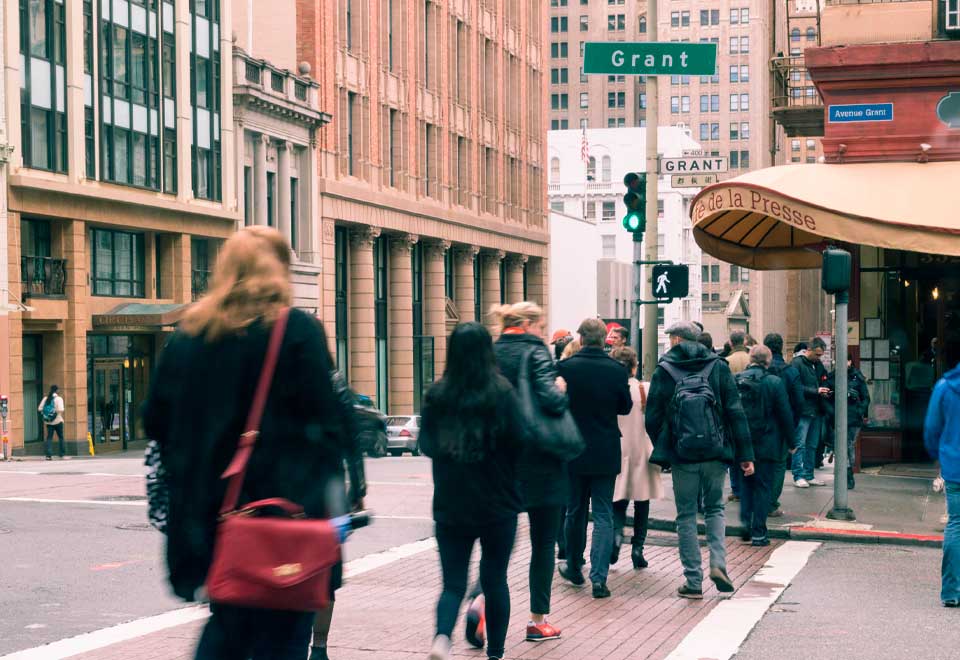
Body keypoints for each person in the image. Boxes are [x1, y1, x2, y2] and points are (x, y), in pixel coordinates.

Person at [142, 226, 353, 660]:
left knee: (226, 628)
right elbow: (330, 430)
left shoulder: (190, 336)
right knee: (286, 636)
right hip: (288, 524)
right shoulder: (297, 333)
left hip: (214, 523)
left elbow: (156, 423)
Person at [420, 322, 525, 660]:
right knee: (495, 581)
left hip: (451, 502)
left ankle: (441, 638)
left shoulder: (437, 394)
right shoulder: (502, 392)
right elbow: (519, 442)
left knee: (452, 582)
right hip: (497, 502)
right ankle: (495, 652)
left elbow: (426, 445)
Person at [646, 321, 754, 600]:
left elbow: (653, 418)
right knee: (715, 509)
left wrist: (666, 446)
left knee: (685, 515)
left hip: (683, 454)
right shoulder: (718, 367)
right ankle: (718, 564)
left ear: (679, 339)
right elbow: (734, 411)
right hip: (716, 452)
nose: (670, 341)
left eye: (671, 337)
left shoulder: (665, 369)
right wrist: (745, 455)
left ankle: (693, 581)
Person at [489, 302, 568, 642]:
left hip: (501, 460)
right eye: (541, 325)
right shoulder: (536, 354)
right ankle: (537, 620)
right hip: (541, 460)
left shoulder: (490, 354)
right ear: (530, 324)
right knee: (543, 542)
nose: (543, 332)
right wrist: (561, 388)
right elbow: (551, 400)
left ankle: (482, 604)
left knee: (496, 543)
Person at [557, 318, 632, 599]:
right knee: (603, 513)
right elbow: (624, 408)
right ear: (604, 340)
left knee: (575, 510)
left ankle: (574, 566)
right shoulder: (615, 370)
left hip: (573, 449)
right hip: (605, 449)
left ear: (581, 338)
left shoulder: (565, 368)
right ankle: (599, 578)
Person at [736, 346, 795, 546]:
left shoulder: (737, 380)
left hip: (742, 442)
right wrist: (792, 441)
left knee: (745, 484)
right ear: (768, 361)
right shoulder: (775, 383)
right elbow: (785, 414)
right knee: (762, 487)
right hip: (767, 442)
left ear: (751, 358)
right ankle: (759, 532)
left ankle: (745, 522)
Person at [610, 347, 663, 569]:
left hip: (618, 449)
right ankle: (638, 548)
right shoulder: (645, 389)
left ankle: (615, 538)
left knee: (618, 501)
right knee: (643, 502)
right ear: (635, 366)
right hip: (642, 449)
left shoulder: (610, 390)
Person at [924, 359, 960, 607]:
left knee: (956, 524)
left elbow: (932, 428)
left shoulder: (946, 386)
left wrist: (939, 456)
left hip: (955, 465)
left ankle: (950, 590)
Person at [764, 333, 802, 517]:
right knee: (779, 465)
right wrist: (792, 428)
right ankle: (771, 503)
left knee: (759, 463)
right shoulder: (790, 372)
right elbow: (798, 403)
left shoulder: (759, 371)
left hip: (759, 426)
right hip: (781, 426)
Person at [824, 354, 870, 491]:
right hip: (837, 418)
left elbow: (866, 398)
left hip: (853, 418)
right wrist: (832, 412)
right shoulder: (832, 377)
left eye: (846, 361)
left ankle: (848, 473)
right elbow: (824, 398)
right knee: (842, 446)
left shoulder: (858, 376)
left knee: (848, 445)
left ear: (850, 361)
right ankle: (847, 474)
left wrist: (859, 410)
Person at [791, 337, 830, 488]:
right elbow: (795, 387)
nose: (819, 358)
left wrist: (824, 388)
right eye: (817, 354)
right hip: (804, 410)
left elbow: (824, 378)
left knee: (812, 445)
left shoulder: (817, 364)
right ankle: (798, 475)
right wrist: (816, 390)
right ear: (809, 350)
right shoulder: (797, 363)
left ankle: (808, 474)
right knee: (800, 444)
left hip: (816, 409)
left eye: (821, 355)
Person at [38, 385, 66, 460]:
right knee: (61, 437)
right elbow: (61, 409)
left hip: (49, 422)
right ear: (57, 391)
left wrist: (48, 414)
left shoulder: (46, 398)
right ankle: (61, 453)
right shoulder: (59, 399)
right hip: (58, 421)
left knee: (49, 438)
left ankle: (48, 455)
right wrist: (55, 413)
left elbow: (40, 408)